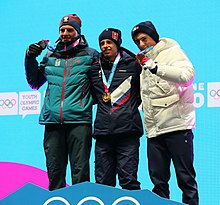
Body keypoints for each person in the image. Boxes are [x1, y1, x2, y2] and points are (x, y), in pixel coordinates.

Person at [24, 14, 99, 191]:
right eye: (62, 30)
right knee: (55, 171)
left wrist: (83, 102)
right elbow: (34, 82)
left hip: (79, 120)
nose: (65, 33)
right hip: (52, 121)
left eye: (69, 30)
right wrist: (29, 58)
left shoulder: (90, 55)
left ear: (78, 32)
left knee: (80, 173)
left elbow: (98, 88)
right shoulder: (50, 55)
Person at [131, 21, 199, 205]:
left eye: (144, 39)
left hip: (177, 127)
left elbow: (187, 76)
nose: (141, 44)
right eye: (137, 41)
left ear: (154, 36)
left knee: (186, 181)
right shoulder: (143, 61)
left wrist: (155, 67)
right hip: (154, 131)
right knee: (158, 183)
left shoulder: (172, 52)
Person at [89, 28, 143, 190]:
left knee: (129, 182)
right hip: (103, 135)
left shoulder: (134, 65)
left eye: (109, 42)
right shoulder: (93, 68)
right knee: (103, 185)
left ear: (117, 44)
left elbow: (143, 92)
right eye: (102, 43)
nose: (105, 46)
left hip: (127, 133)